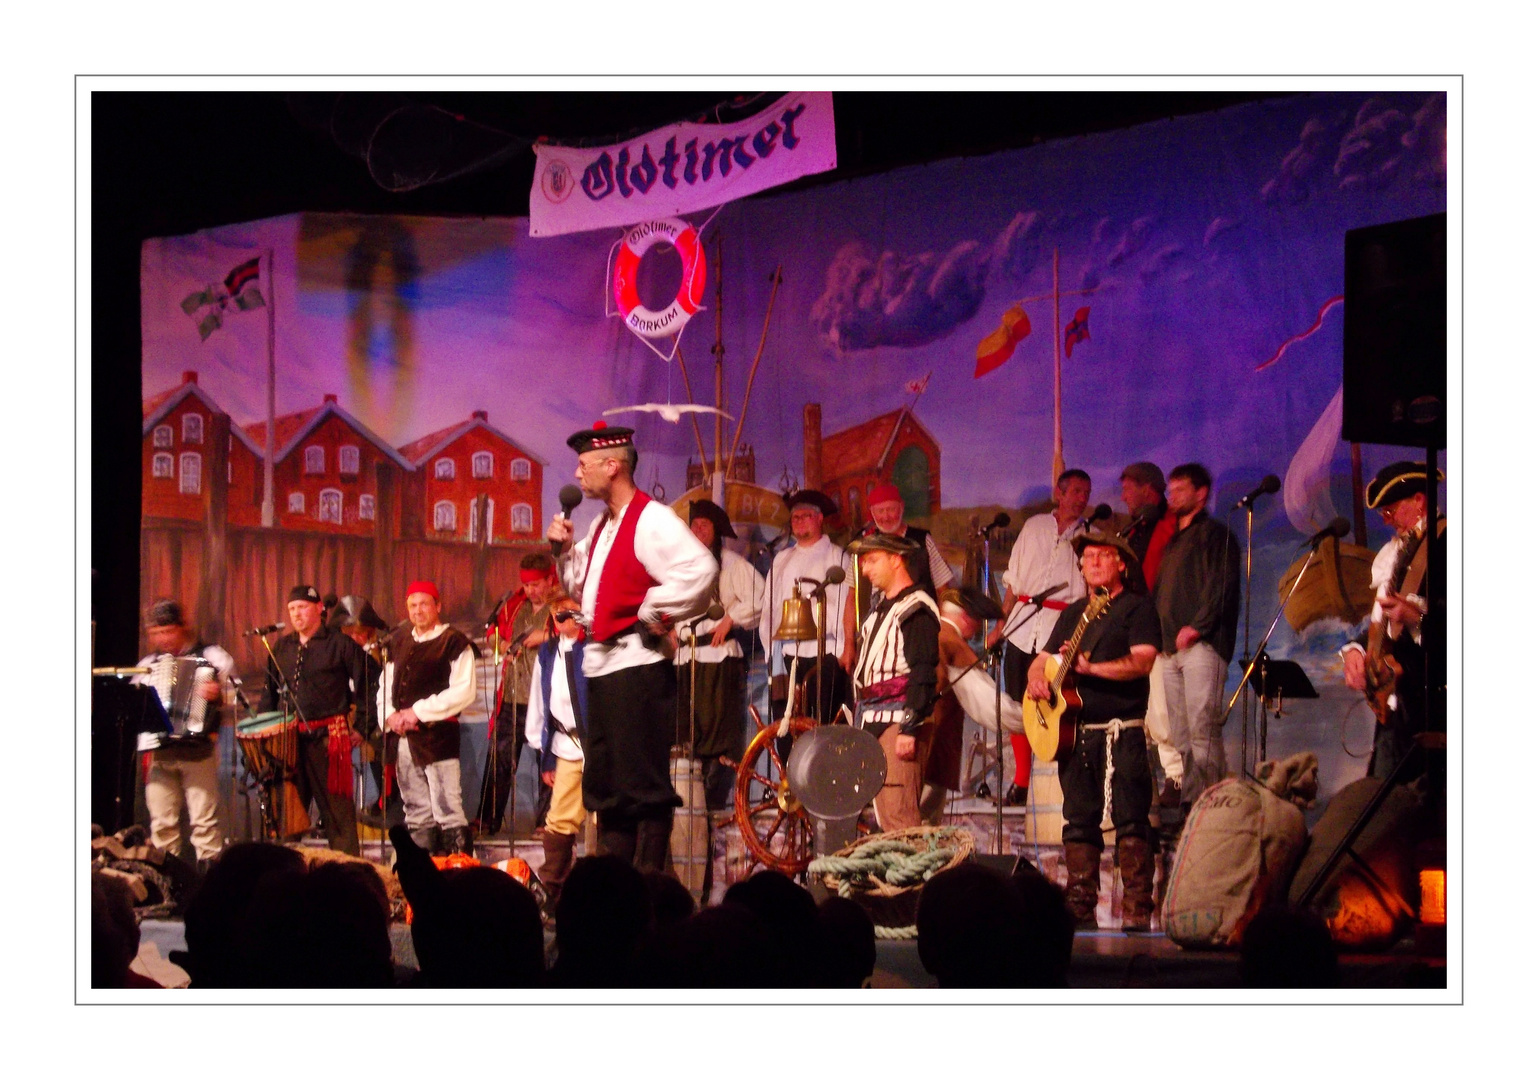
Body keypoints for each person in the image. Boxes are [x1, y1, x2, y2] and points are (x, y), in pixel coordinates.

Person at [546, 421, 715, 872]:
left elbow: (700, 569)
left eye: (584, 466)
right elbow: (581, 585)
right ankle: (617, 890)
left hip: (637, 668)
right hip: (603, 668)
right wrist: (562, 553)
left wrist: (653, 610)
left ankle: (649, 891)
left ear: (612, 466)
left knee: (642, 786)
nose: (578, 476)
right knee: (610, 787)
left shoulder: (652, 518)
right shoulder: (603, 524)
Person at [1027, 531, 1161, 931]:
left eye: (1104, 555)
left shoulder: (1137, 608)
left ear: (1122, 564)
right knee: (1079, 821)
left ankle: (1137, 910)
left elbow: (1142, 662)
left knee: (1132, 820)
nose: (1095, 562)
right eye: (1088, 557)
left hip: (1123, 730)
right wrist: (1037, 681)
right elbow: (1042, 660)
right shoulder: (1073, 613)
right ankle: (1080, 910)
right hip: (1078, 733)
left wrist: (1091, 669)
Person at [987, 468, 1092, 804]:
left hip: (1061, 628)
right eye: (1074, 491)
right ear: (1058, 494)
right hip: (1022, 625)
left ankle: (1057, 785)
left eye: (1085, 493)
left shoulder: (1090, 535)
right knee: (1019, 704)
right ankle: (1020, 781)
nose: (1080, 498)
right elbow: (1013, 582)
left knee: (1058, 705)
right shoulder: (1034, 527)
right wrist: (1000, 625)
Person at [1341, 461, 1445, 780]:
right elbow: (1381, 621)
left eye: (1391, 511)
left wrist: (1416, 617)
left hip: (1432, 704)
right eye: (1382, 515)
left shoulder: (1448, 542)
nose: (1387, 522)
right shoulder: (1395, 552)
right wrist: (1356, 651)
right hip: (1397, 704)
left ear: (1419, 500)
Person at [1151, 463, 1242, 806]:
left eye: (1180, 490)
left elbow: (1222, 586)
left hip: (1201, 645)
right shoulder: (1174, 542)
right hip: (1170, 649)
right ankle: (1193, 803)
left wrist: (1197, 627)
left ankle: (1213, 805)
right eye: (1170, 490)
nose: (1171, 496)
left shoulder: (1216, 534)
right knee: (1181, 734)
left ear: (1201, 494)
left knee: (1202, 726)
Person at [260, 584, 370, 855]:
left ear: (319, 608)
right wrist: (266, 737)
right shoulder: (281, 647)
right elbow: (269, 696)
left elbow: (370, 682)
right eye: (292, 609)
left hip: (329, 741)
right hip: (288, 744)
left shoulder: (339, 643)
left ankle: (347, 878)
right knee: (288, 817)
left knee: (338, 817)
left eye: (303, 608)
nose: (297, 614)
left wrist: (363, 727)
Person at [848, 532, 941, 831]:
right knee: (886, 814)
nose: (865, 570)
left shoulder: (916, 607)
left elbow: (923, 670)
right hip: (873, 718)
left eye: (873, 560)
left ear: (896, 559)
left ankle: (917, 878)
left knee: (899, 815)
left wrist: (910, 727)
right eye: (863, 563)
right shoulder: (879, 610)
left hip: (898, 719)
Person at [378, 580, 478, 855]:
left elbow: (463, 691)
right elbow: (385, 686)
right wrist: (390, 717)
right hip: (404, 740)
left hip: (437, 739)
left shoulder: (454, 642)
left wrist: (417, 712)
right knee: (416, 812)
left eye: (424, 604)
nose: (418, 610)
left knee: (447, 809)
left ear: (438, 606)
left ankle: (457, 875)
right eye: (412, 605)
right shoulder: (398, 641)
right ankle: (422, 876)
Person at [675, 499, 764, 809]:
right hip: (686, 660)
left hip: (719, 658)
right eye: (694, 525)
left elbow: (758, 595)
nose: (698, 531)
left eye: (705, 526)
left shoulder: (730, 563)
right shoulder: (679, 567)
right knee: (689, 732)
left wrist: (730, 618)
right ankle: (691, 804)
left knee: (719, 733)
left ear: (715, 532)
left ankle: (714, 803)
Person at [133, 599, 232, 869]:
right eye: (157, 633)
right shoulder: (147, 666)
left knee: (204, 822)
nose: (163, 639)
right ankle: (169, 887)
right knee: (162, 825)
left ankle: (207, 885)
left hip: (197, 751)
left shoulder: (211, 656)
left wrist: (217, 693)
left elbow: (232, 694)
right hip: (160, 753)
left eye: (168, 631)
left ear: (181, 628)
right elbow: (136, 710)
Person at [477, 552, 565, 837]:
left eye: (537, 584)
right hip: (513, 698)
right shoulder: (514, 606)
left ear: (550, 580)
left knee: (547, 765)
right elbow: (491, 634)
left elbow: (580, 632)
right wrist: (501, 643)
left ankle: (545, 823)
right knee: (499, 760)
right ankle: (486, 820)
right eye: (527, 585)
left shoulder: (561, 606)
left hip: (547, 700)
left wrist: (548, 636)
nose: (531, 591)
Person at [1116, 462, 1183, 801]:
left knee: (1162, 706)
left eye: (1129, 487)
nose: (1124, 495)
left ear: (1148, 489)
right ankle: (1144, 778)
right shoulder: (1136, 530)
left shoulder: (1168, 527)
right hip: (1136, 627)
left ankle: (1176, 775)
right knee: (1141, 707)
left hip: (1160, 627)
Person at [761, 489, 853, 725]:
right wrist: (771, 651)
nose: (799, 521)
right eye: (795, 517)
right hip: (788, 656)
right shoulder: (781, 559)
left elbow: (847, 606)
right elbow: (769, 609)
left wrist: (846, 648)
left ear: (820, 519)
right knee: (789, 726)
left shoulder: (837, 557)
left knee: (824, 725)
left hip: (826, 654)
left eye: (806, 516)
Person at [841, 482, 955, 668]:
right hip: (874, 635)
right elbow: (851, 598)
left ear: (901, 508)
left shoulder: (922, 541)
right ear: (872, 512)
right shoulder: (863, 545)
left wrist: (944, 634)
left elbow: (944, 591)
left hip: (915, 633)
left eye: (891, 509)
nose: (885, 516)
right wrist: (848, 644)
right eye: (880, 511)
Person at [922, 586, 1011, 824]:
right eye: (976, 622)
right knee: (923, 820)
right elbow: (987, 702)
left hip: (925, 742)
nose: (975, 632)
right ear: (965, 618)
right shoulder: (950, 640)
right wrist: (1025, 719)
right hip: (933, 743)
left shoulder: (930, 632)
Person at [527, 596, 588, 913]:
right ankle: (552, 890)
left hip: (597, 747)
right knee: (560, 820)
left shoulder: (594, 647)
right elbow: (541, 702)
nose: (565, 621)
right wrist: (546, 756)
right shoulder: (549, 652)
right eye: (558, 616)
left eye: (570, 614)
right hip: (566, 745)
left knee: (602, 818)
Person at [326, 595, 395, 827]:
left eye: (360, 633)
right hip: (347, 716)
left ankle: (388, 803)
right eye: (349, 633)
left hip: (376, 717)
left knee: (379, 748)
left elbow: (377, 695)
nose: (355, 638)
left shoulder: (378, 656)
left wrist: (363, 727)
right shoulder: (336, 654)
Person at [1118, 461, 1177, 591]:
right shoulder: (1134, 528)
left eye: (1127, 489)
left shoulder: (1175, 527)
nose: (1123, 497)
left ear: (1146, 490)